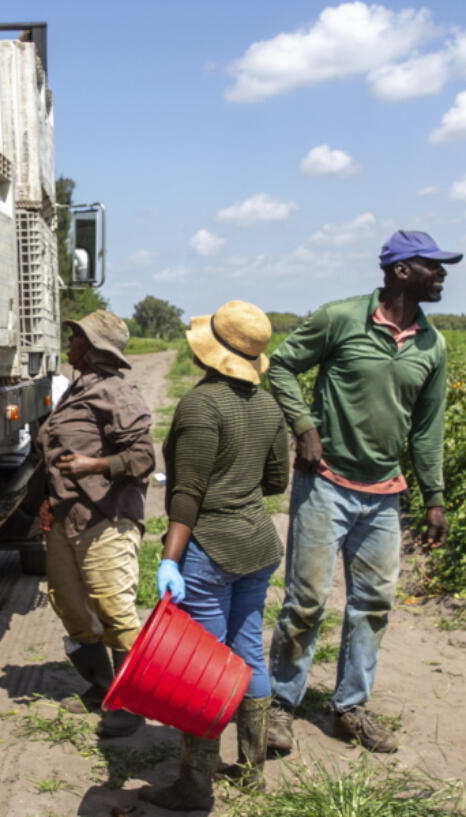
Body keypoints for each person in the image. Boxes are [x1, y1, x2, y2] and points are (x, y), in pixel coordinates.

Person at [266, 230, 460, 755]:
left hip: (383, 495)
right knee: (306, 602)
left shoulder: (432, 345)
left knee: (373, 604)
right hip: (325, 483)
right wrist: (304, 427)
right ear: (401, 270)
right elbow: (280, 366)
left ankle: (349, 707)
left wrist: (434, 497)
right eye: (433, 266)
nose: (443, 275)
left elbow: (427, 429)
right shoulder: (341, 318)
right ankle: (280, 706)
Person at [140, 301, 289, 811]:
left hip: (211, 548)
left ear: (211, 352)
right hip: (258, 544)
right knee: (248, 652)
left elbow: (188, 493)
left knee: (201, 670)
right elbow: (276, 481)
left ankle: (193, 786)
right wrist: (239, 483)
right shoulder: (268, 406)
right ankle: (251, 772)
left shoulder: (202, 405)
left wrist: (170, 556)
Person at [37, 310, 155, 738]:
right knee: (69, 605)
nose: (69, 344)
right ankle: (104, 687)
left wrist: (96, 463)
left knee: (114, 610)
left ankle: (131, 703)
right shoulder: (78, 389)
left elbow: (144, 457)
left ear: (91, 347)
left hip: (106, 517)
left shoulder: (115, 392)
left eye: (75, 338)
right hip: (68, 516)